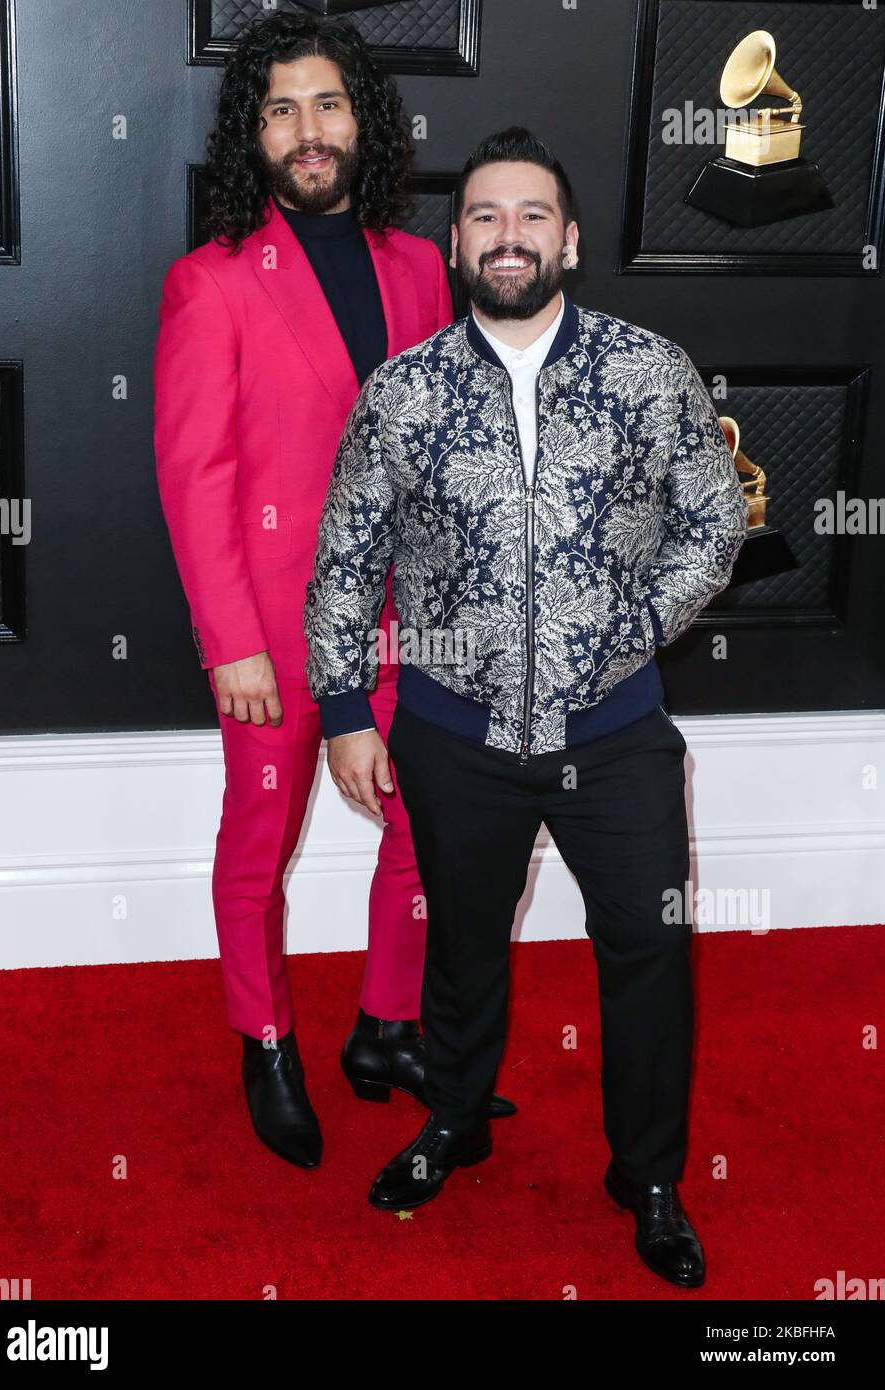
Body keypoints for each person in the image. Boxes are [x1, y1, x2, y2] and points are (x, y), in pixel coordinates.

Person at [304, 127, 748, 1287]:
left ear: (571, 239)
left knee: (648, 949)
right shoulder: (399, 394)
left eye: (532, 215)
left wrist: (630, 628)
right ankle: (453, 1118)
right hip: (452, 734)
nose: (510, 236)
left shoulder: (649, 369)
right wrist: (346, 707)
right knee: (460, 949)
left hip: (616, 734)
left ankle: (646, 1177)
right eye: (487, 217)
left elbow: (715, 524)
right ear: (457, 243)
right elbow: (345, 557)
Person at [153, 12, 514, 1173]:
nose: (308, 132)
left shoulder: (420, 268)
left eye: (327, 104)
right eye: (279, 109)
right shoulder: (210, 286)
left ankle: (385, 1027)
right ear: (250, 135)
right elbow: (194, 475)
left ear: (362, 120)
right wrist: (231, 644)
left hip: (418, 624)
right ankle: (265, 1038)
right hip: (272, 633)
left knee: (424, 827)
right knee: (259, 845)